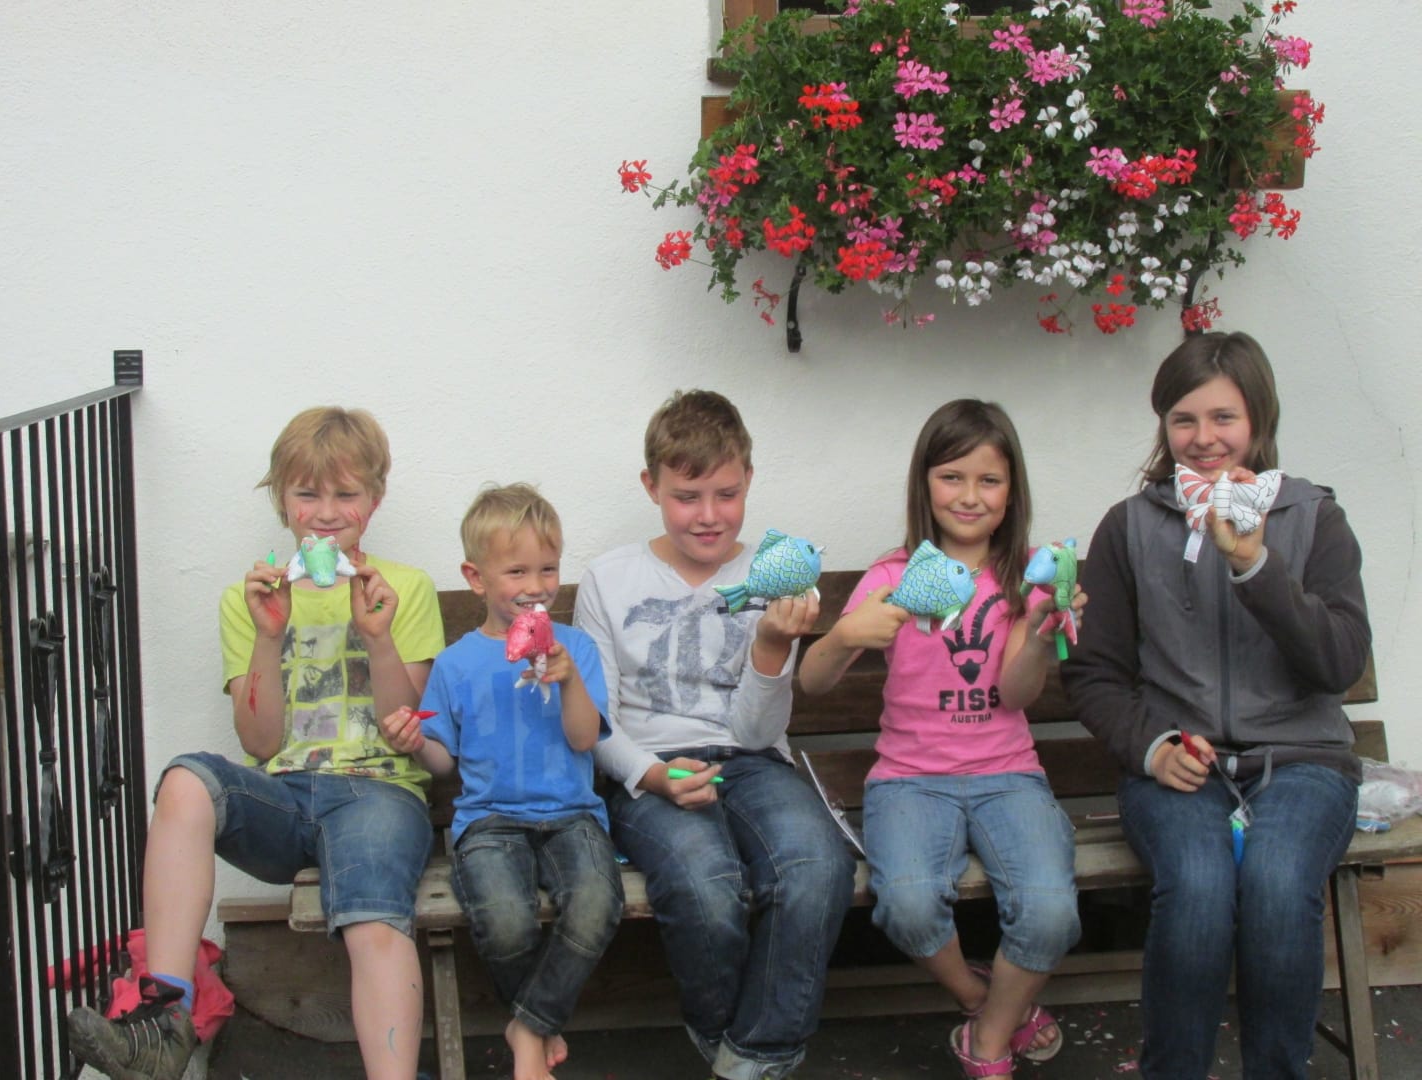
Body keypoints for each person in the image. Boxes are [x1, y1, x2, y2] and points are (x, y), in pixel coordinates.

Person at [67, 407, 443, 1080]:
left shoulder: (404, 588)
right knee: (185, 780)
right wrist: (269, 635)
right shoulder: (249, 598)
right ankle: (164, 1022)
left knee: (372, 912)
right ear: (282, 501)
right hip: (284, 796)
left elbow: (404, 723)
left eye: (346, 493)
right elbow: (261, 741)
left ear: (375, 499)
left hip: (380, 792)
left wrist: (378, 637)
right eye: (307, 493)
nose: (326, 512)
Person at [1061, 332, 1371, 1079]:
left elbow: (1338, 663)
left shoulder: (1315, 516)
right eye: (1183, 419)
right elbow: (1095, 673)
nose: (1203, 438)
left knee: (1277, 886)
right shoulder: (1130, 527)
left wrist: (1255, 565)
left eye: (1223, 417)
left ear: (1258, 420)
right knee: (1197, 891)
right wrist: (1152, 746)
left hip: (1303, 763)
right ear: (1164, 426)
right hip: (1181, 764)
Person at [573, 389, 855, 1080]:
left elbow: (760, 731)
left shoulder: (775, 574)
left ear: (749, 480)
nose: (708, 515)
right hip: (649, 768)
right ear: (652, 487)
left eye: (726, 494)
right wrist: (652, 776)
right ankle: (726, 1034)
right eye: (687, 496)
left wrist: (771, 647)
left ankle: (753, 1055)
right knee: (706, 883)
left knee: (818, 864)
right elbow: (597, 720)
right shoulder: (608, 579)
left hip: (751, 760)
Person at [799, 398, 1084, 1080]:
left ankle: (987, 1044)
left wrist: (1037, 640)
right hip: (909, 780)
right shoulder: (892, 576)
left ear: (1012, 491)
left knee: (1050, 913)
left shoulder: (1029, 574)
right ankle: (985, 1002)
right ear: (924, 483)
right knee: (906, 904)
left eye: (989, 480)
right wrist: (843, 635)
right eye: (952, 477)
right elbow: (812, 683)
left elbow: (1015, 695)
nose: (969, 495)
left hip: (1008, 775)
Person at [381, 483, 621, 1080]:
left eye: (548, 568)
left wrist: (568, 679)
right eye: (517, 571)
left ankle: (527, 1027)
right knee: (505, 917)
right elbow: (444, 762)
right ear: (476, 577)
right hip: (488, 820)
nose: (536, 586)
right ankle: (539, 1023)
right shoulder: (456, 662)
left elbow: (585, 740)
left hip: (573, 814)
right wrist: (415, 743)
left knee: (596, 902)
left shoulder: (576, 647)